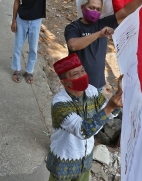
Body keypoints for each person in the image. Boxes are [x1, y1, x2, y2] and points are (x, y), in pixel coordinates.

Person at [46, 53, 123, 181]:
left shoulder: (91, 91)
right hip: (63, 164)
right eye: (75, 74)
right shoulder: (59, 104)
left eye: (82, 71)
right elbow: (83, 131)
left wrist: (119, 95)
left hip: (85, 161)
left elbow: (110, 113)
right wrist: (109, 107)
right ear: (64, 82)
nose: (82, 75)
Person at [64, 0, 142, 90]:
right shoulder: (73, 27)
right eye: (91, 8)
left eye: (98, 9)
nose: (95, 11)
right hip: (76, 83)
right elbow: (73, 45)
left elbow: (126, 11)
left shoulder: (103, 23)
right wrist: (98, 34)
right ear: (82, 8)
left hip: (96, 84)